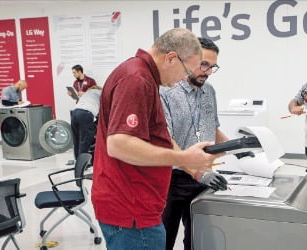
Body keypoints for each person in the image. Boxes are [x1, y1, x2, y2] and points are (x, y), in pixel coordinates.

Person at [91, 28, 223, 250]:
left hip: (138, 204)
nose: (183, 78)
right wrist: (184, 158)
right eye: (186, 71)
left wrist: (186, 158)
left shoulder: (142, 76)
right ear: (171, 58)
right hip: (131, 208)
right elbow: (118, 144)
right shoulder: (136, 79)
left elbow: (155, 136)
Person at [160, 37, 228, 250]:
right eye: (203, 64)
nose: (207, 72)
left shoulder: (210, 92)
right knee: (164, 239)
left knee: (198, 239)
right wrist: (198, 172)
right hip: (172, 179)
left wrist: (238, 148)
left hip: (203, 177)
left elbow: (213, 129)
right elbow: (166, 141)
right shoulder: (166, 92)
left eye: (212, 66)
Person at [70, 85, 102, 159]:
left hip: (74, 112)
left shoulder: (87, 93)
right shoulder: (101, 92)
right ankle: (83, 163)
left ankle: (78, 162)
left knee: (76, 139)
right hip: (85, 113)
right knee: (85, 140)